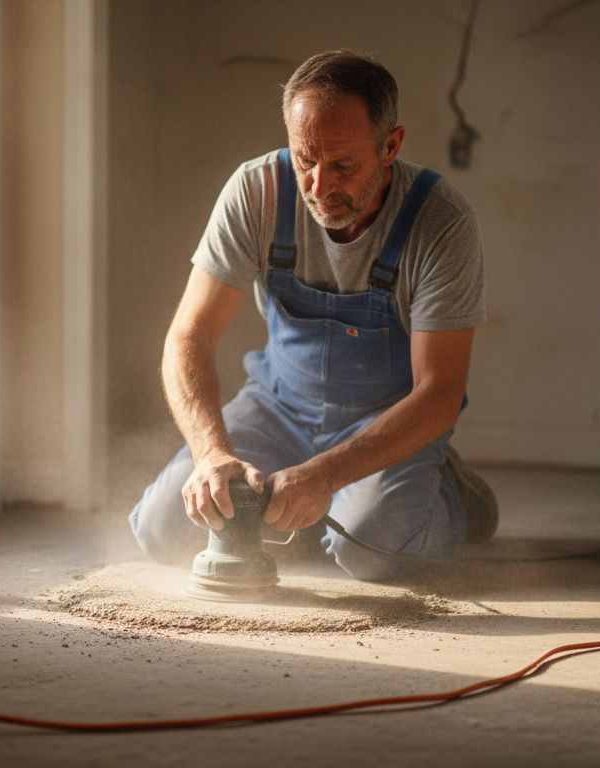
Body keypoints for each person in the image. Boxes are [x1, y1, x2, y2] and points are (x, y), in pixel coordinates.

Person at [129, 49, 495, 581]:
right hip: (278, 407)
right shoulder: (256, 191)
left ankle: (451, 493)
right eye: (305, 160)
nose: (319, 187)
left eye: (343, 165)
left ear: (390, 145)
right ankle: (307, 503)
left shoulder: (441, 222)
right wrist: (211, 454)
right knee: (165, 530)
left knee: (370, 550)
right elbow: (190, 335)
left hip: (386, 420)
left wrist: (326, 474)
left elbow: (439, 393)